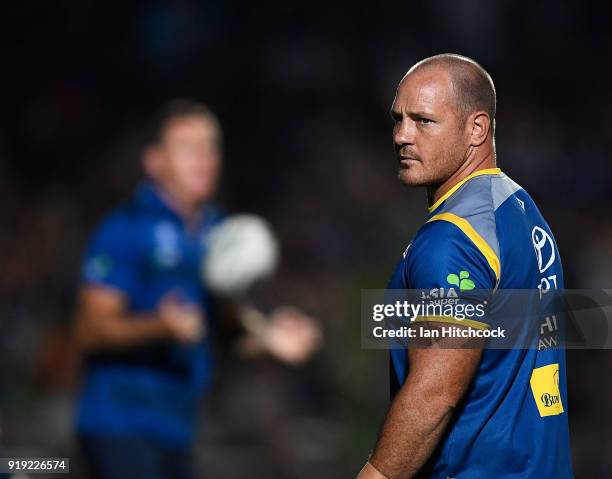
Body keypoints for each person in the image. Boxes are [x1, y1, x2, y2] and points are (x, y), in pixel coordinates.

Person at [74, 100, 321, 479]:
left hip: (179, 429)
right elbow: (90, 331)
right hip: (121, 425)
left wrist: (269, 336)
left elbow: (220, 328)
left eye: (211, 146)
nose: (204, 159)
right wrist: (160, 327)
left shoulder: (219, 233)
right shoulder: (125, 228)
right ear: (155, 161)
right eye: (189, 148)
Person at [357, 54, 573, 478]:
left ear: (477, 128)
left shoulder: (452, 240)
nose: (402, 135)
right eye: (397, 118)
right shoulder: (520, 209)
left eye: (423, 120)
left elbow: (435, 394)